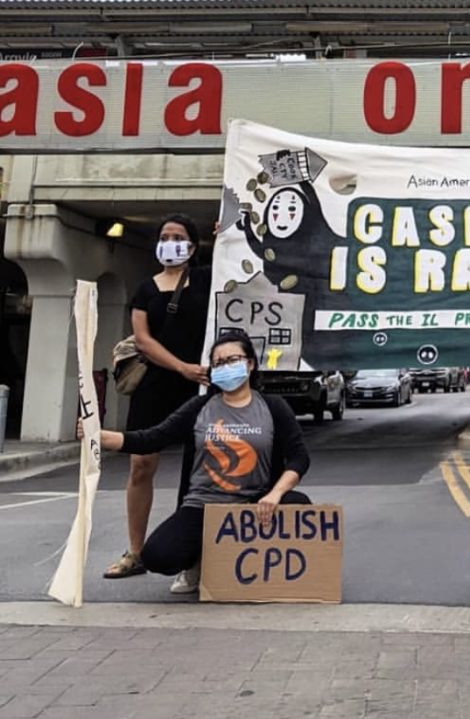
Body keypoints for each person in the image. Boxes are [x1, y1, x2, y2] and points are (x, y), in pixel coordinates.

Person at [84, 328, 311, 589]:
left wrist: (275, 494)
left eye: (233, 360)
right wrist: (96, 435)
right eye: (218, 363)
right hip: (203, 506)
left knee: (299, 507)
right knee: (158, 556)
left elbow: (298, 458)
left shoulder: (273, 407)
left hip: (256, 505)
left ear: (250, 364)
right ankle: (199, 560)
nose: (226, 367)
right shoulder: (200, 408)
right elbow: (151, 438)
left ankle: (251, 565)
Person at [103, 214, 214, 589]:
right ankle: (135, 551)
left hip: (199, 384)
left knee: (199, 471)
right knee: (141, 464)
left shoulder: (205, 278)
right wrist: (181, 367)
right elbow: (143, 339)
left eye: (179, 237)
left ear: (193, 246)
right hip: (158, 383)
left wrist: (229, 234)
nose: (171, 242)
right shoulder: (145, 289)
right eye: (165, 236)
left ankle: (193, 557)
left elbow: (242, 265)